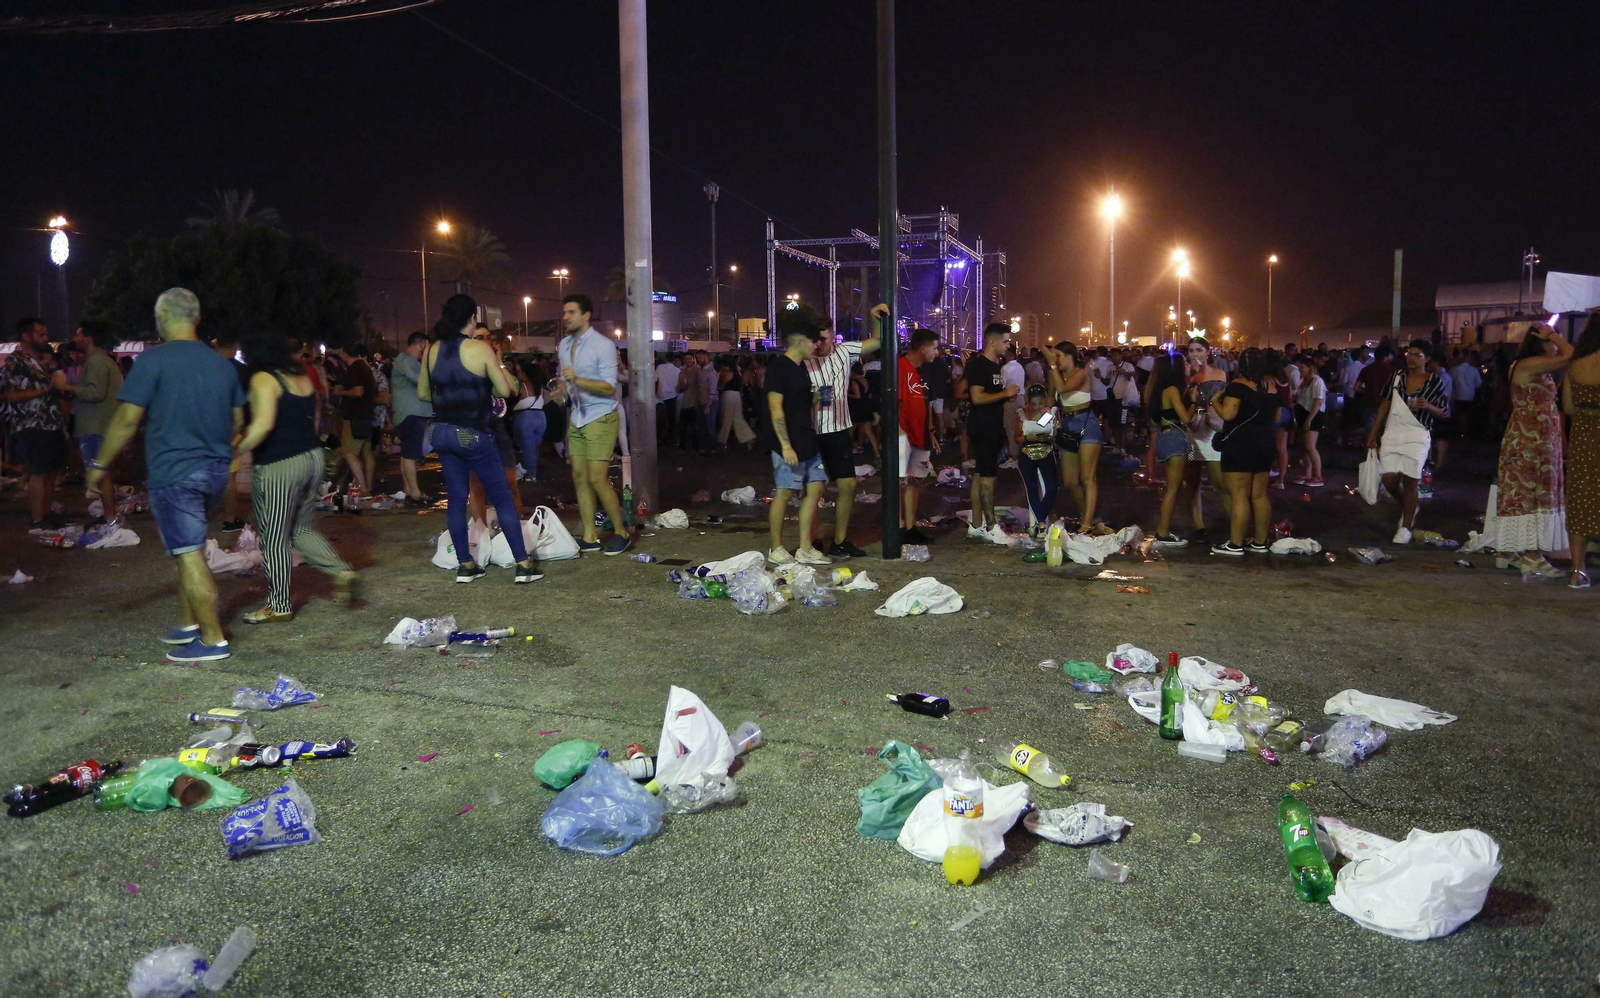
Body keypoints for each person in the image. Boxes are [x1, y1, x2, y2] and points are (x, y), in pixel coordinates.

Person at [86, 289, 245, 661]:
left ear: (163, 318)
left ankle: (211, 640)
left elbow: (127, 418)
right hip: (215, 471)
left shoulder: (152, 361)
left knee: (188, 553)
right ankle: (190, 624)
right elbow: (238, 421)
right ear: (197, 319)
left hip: (175, 473)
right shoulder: (222, 363)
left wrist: (99, 465)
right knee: (187, 548)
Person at [417, 294, 543, 583]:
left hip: (441, 432)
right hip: (472, 431)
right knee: (502, 498)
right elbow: (504, 390)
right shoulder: (479, 348)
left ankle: (466, 565)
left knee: (456, 500)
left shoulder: (431, 350)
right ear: (472, 318)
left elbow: (424, 394)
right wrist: (496, 366)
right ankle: (523, 565)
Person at [233, 329, 356, 624]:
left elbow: (262, 426)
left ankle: (279, 604)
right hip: (311, 457)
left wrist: (234, 451)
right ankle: (343, 572)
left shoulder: (265, 379)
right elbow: (313, 418)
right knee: (301, 529)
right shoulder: (301, 376)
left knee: (274, 537)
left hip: (280, 463)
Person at [1478, 325, 1572, 575]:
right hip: (1532, 440)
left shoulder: (1539, 367)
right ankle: (1533, 556)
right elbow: (1571, 353)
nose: (1554, 345)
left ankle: (1514, 551)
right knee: (1533, 494)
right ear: (1540, 342)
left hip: (1540, 437)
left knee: (1528, 494)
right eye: (1550, 341)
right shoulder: (1527, 364)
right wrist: (1552, 334)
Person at [804, 305, 882, 559]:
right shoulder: (803, 359)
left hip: (838, 430)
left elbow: (877, 341)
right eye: (815, 339)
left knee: (847, 484)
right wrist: (813, 396)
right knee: (813, 489)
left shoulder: (845, 351)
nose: (818, 344)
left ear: (832, 334)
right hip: (811, 430)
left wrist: (874, 318)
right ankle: (811, 541)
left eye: (823, 338)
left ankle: (839, 540)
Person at [556, 294, 629, 556]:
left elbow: (609, 385)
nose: (566, 317)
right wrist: (561, 391)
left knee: (598, 478)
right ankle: (590, 535)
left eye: (572, 312)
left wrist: (577, 380)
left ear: (586, 315)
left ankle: (621, 532)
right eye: (564, 312)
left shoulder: (603, 345)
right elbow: (564, 380)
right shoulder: (564, 345)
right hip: (576, 417)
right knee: (579, 477)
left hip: (601, 416)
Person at [763, 304, 832, 566]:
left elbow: (797, 402)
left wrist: (815, 396)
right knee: (784, 491)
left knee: (816, 487)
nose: (817, 347)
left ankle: (804, 548)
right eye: (815, 342)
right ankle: (776, 548)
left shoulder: (800, 368)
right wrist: (785, 445)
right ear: (801, 341)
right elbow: (775, 407)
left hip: (807, 438)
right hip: (788, 442)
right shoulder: (780, 367)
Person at [1366, 340, 1449, 545]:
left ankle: (1406, 527)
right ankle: (1410, 507)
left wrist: (1427, 405)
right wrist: (1374, 431)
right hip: (1393, 432)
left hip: (1417, 433)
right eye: (1408, 354)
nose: (1410, 358)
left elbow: (1444, 412)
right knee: (1389, 479)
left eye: (1416, 355)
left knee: (1411, 480)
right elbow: (1385, 403)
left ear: (1427, 359)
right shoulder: (1397, 376)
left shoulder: (1434, 381)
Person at [1210, 348, 1280, 556]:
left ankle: (1235, 544)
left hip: (1241, 444)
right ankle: (1260, 542)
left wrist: (1215, 401)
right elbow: (1276, 419)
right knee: (1259, 494)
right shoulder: (1272, 386)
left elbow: (1228, 415)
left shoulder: (1238, 386)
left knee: (1239, 494)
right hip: (1265, 443)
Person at [2, 318, 69, 530]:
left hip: (51, 423)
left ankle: (47, 514)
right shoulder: (16, 360)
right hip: (31, 424)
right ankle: (38, 518)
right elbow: (10, 395)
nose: (45, 338)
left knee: (51, 470)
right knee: (38, 471)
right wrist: (46, 390)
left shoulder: (39, 359)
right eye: (40, 334)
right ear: (26, 335)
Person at [57, 320, 123, 516]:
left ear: (88, 338)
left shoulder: (96, 361)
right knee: (101, 473)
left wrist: (66, 387)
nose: (75, 338)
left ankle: (110, 517)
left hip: (96, 425)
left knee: (100, 474)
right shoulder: (99, 360)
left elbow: (96, 393)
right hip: (100, 424)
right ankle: (108, 515)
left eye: (78, 334)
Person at [965, 323, 1019, 542]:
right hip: (984, 428)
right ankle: (991, 527)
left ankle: (976, 524)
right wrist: (1004, 393)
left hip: (992, 426)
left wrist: (1005, 396)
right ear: (992, 342)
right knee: (988, 478)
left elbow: (989, 395)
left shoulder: (994, 365)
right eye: (1005, 341)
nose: (1008, 345)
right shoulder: (980, 366)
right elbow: (977, 397)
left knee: (980, 476)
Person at [1047, 341, 1104, 533]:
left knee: (1088, 477)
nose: (1055, 361)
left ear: (1069, 357)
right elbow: (1051, 400)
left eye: (1058, 356)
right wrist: (1040, 424)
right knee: (1070, 481)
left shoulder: (1081, 372)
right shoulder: (1056, 374)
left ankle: (1086, 524)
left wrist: (1052, 368)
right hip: (1067, 424)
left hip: (1086, 423)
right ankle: (1087, 516)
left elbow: (1063, 389)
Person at [1561, 316, 1600, 589]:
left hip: (1583, 437)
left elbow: (1568, 407)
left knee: (1581, 499)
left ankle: (1577, 571)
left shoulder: (1574, 366)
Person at [1183, 338, 1231, 539]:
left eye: (1199, 350)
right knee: (1193, 482)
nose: (1195, 354)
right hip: (1192, 430)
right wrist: (1190, 378)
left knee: (1220, 483)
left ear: (1208, 352)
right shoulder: (1186, 376)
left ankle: (1236, 525)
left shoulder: (1219, 374)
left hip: (1211, 430)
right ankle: (1199, 526)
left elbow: (1221, 401)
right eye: (1191, 350)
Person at [1146, 352, 1194, 545]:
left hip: (1164, 436)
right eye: (1184, 363)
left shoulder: (1161, 388)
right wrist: (1195, 402)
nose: (1187, 365)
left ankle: (1163, 531)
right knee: (1172, 490)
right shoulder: (1172, 389)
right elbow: (1186, 418)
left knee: (1171, 488)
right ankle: (1163, 532)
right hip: (1174, 437)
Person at [898, 326, 940, 545]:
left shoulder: (923, 370)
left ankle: (911, 526)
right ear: (923, 348)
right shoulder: (900, 367)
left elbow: (927, 403)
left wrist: (930, 430)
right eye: (935, 348)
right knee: (900, 482)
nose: (937, 352)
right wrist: (900, 433)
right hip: (903, 435)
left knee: (916, 482)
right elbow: (891, 403)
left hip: (920, 434)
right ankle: (897, 526)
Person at [329, 342, 376, 499]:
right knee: (366, 452)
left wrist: (340, 392)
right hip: (367, 415)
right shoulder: (365, 368)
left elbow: (358, 392)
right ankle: (368, 487)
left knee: (348, 452)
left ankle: (363, 489)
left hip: (355, 416)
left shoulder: (355, 368)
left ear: (345, 354)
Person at [392, 331, 434, 506]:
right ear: (423, 343)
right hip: (411, 415)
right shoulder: (405, 360)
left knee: (406, 454)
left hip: (408, 414)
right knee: (410, 455)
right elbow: (420, 380)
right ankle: (415, 494)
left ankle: (409, 491)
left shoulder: (405, 360)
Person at [1013, 383, 1059, 538]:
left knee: (1052, 488)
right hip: (1027, 453)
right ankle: (1041, 525)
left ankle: (1039, 521)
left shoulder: (1050, 413)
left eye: (1040, 403)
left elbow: (1056, 434)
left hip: (1046, 452)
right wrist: (1028, 437)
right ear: (1028, 401)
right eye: (1034, 403)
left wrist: (1050, 437)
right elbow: (1016, 438)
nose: (1037, 407)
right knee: (1032, 488)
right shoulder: (1022, 413)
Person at [512, 356, 550, 483]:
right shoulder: (538, 386)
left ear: (524, 373)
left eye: (520, 372)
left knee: (528, 448)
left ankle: (531, 475)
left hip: (525, 418)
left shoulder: (522, 385)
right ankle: (531, 470)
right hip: (541, 417)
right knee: (533, 447)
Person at [1291, 355, 1327, 486]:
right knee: (1305, 446)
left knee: (1310, 446)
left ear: (1310, 368)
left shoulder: (1317, 381)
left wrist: (1309, 420)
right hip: (1303, 413)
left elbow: (1318, 402)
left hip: (1313, 414)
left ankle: (1318, 476)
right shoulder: (1304, 381)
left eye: (1302, 367)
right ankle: (1308, 474)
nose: (1300, 370)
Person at [716, 356, 758, 450]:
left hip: (728, 395)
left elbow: (721, 384)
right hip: (736, 395)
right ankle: (748, 437)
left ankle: (722, 440)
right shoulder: (736, 373)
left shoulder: (727, 373)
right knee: (737, 418)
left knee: (726, 418)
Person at [999, 346, 1026, 467]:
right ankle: (1021, 455)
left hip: (1010, 400)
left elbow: (1001, 385)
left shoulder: (1006, 368)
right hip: (1021, 398)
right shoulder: (1019, 366)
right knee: (1020, 428)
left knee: (1011, 429)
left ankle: (1014, 458)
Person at [1448, 348, 1483, 439]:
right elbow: (1478, 384)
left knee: (1460, 414)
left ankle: (1461, 431)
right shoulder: (1474, 370)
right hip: (1470, 395)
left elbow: (1450, 382)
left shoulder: (1454, 369)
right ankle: (1467, 431)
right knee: (1468, 414)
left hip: (1458, 395)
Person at [654, 353, 679, 446]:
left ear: (665, 358)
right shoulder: (677, 370)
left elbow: (654, 379)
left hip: (660, 396)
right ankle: (671, 438)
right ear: (675, 360)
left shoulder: (660, 367)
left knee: (659, 419)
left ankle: (660, 438)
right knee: (671, 418)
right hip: (672, 396)